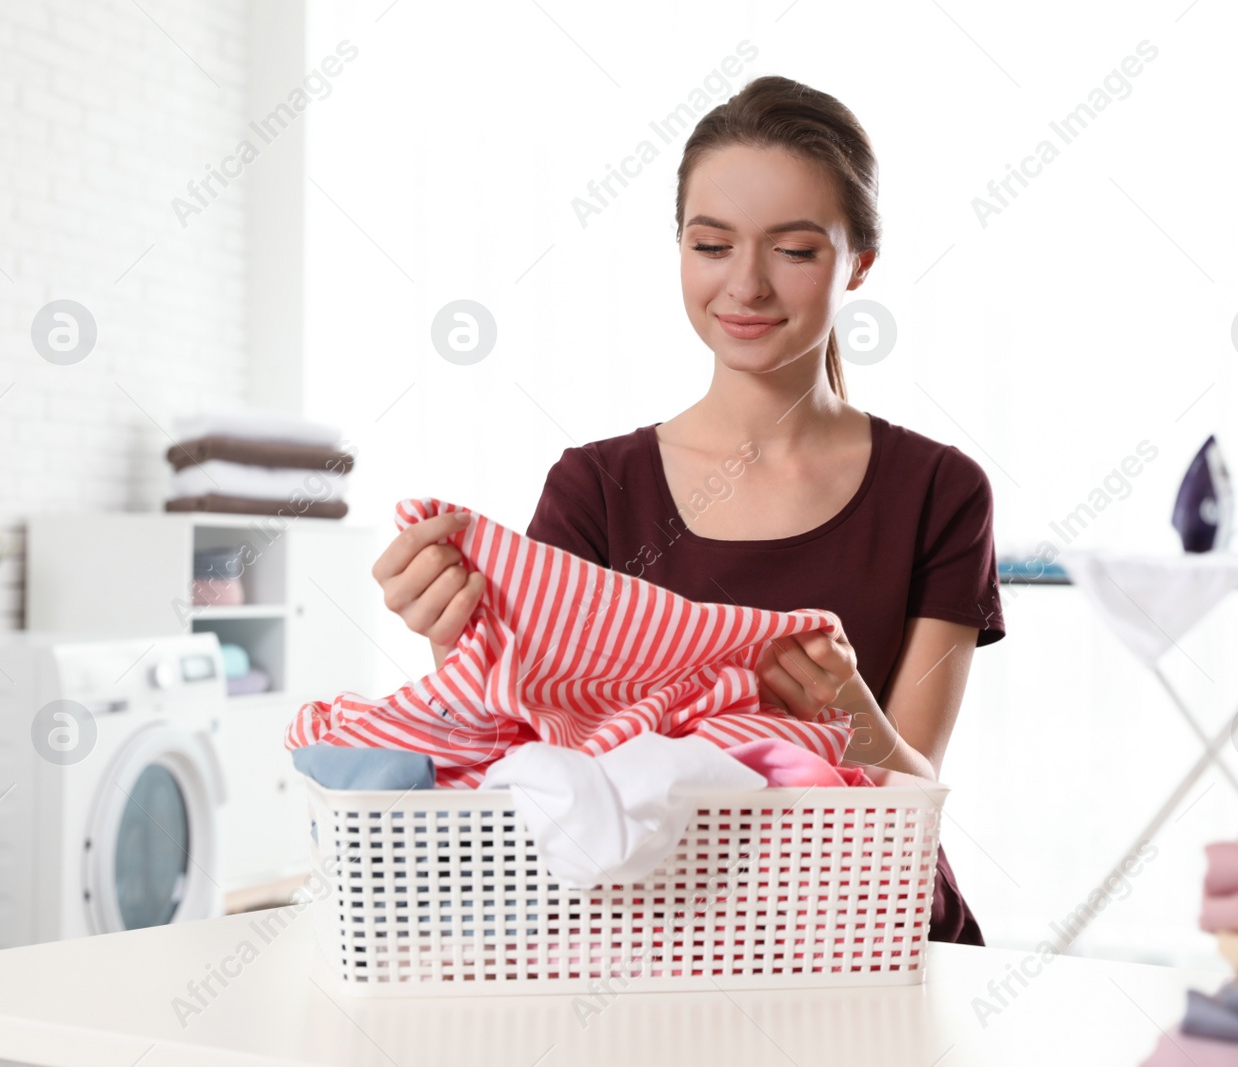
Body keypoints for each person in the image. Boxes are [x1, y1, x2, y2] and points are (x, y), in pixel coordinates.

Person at [370, 75, 1005, 944]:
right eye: (712, 244)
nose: (745, 285)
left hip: (870, 931)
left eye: (794, 250)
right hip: (654, 936)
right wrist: (456, 632)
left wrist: (848, 710)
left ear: (858, 262)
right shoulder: (596, 488)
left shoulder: (940, 491)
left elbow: (914, 793)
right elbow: (542, 756)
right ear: (679, 249)